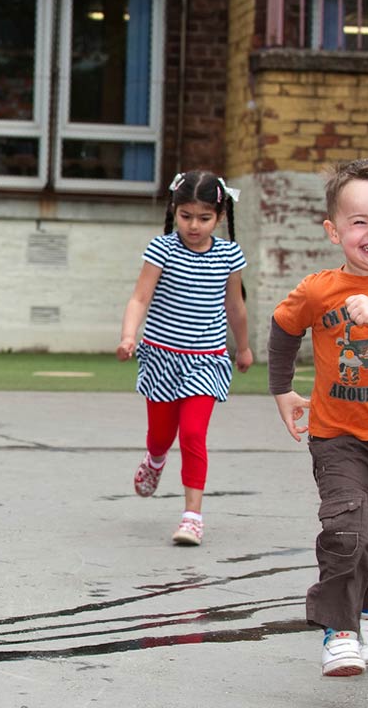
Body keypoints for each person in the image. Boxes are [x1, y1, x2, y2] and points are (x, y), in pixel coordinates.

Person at [268, 158, 368, 677]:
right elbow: (283, 327)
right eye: (358, 221)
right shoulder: (319, 290)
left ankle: (367, 605)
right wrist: (283, 390)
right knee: (347, 530)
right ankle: (339, 631)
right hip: (337, 436)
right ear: (333, 230)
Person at [116, 170, 252, 546]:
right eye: (186, 216)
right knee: (161, 436)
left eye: (204, 217)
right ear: (174, 212)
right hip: (161, 356)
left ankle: (192, 517)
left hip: (207, 360)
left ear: (220, 217)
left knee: (193, 434)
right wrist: (129, 337)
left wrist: (243, 347)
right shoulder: (161, 249)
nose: (194, 225)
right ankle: (155, 460)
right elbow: (139, 297)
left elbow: (235, 306)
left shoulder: (229, 255)